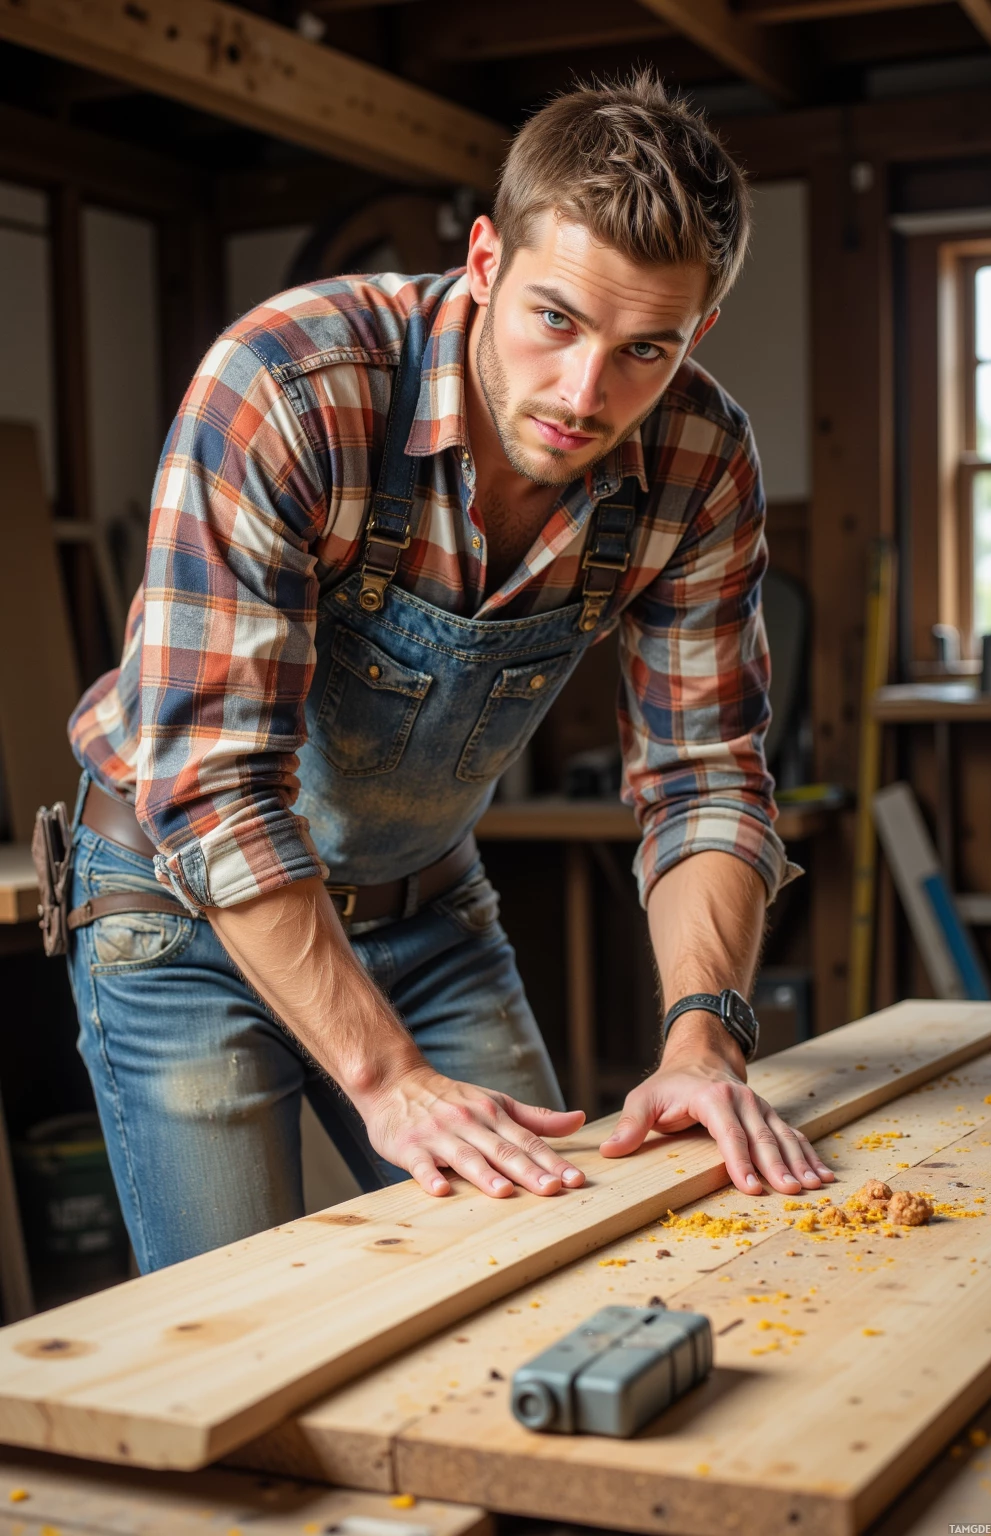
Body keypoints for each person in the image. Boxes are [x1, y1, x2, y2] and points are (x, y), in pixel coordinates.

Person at [64, 71, 834, 1273]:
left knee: (556, 1284)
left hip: (424, 910)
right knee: (241, 1339)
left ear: (696, 336)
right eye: (555, 322)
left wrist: (703, 1040)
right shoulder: (291, 386)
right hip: (178, 913)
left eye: (645, 349)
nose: (585, 396)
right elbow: (214, 786)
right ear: (484, 261)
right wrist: (388, 1078)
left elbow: (704, 779)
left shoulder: (698, 460)